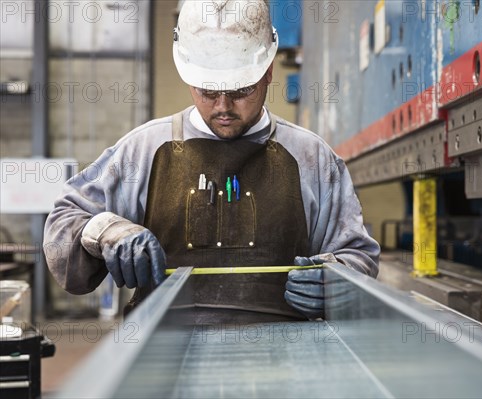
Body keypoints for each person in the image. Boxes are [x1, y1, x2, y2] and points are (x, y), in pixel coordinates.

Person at [43, 0, 379, 323]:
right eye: (207, 91)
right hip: (160, 359)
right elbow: (64, 223)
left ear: (268, 73)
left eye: (239, 91)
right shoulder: (144, 149)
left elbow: (358, 255)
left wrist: (335, 282)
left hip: (286, 361)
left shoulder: (312, 158)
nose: (223, 107)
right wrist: (106, 231)